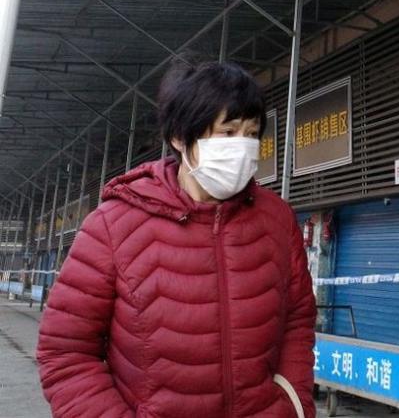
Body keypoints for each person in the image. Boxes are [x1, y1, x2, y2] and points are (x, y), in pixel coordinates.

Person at [36, 61, 316, 418]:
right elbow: (65, 352)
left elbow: (298, 321)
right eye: (228, 133)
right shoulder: (113, 225)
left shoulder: (277, 219)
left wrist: (293, 406)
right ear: (180, 138)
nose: (243, 146)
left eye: (251, 132)